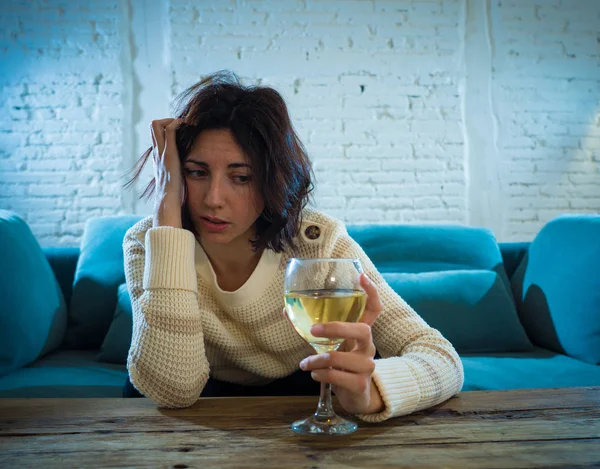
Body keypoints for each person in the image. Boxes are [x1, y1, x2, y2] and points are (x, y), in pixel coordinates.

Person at [123, 70, 463, 422]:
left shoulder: (317, 243)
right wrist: (166, 206)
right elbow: (173, 391)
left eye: (242, 178)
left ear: (273, 179)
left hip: (299, 397)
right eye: (196, 173)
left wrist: (371, 392)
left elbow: (441, 358)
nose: (213, 199)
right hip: (196, 408)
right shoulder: (148, 242)